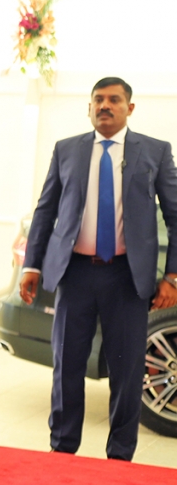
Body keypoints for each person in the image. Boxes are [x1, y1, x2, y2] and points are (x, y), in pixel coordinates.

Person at [20, 77, 177, 461]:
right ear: (89, 107)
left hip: (128, 277)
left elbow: (175, 216)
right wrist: (32, 265)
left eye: (114, 100)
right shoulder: (67, 150)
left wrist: (172, 277)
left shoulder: (154, 152)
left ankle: (121, 455)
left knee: (126, 371)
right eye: (98, 100)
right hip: (75, 274)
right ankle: (62, 449)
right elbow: (45, 211)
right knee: (67, 366)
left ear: (130, 108)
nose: (105, 106)